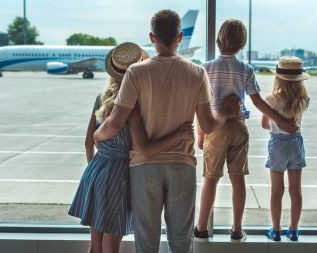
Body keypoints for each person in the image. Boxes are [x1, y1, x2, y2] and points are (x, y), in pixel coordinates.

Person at [93, 9, 237, 253]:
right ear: (180, 38)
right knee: (181, 242)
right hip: (182, 164)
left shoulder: (136, 72)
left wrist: (96, 137)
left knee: (146, 242)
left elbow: (116, 122)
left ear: (152, 37)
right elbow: (208, 125)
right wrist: (226, 112)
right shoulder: (196, 73)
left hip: (144, 167)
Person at [68, 42, 194, 253]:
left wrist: (94, 168)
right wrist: (179, 135)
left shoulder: (101, 99)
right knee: (111, 244)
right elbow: (145, 149)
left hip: (96, 171)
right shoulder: (133, 107)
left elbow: (89, 140)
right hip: (119, 176)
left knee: (95, 245)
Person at [194, 19, 299, 243]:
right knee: (238, 178)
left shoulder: (206, 68)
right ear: (242, 43)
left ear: (218, 39)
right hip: (238, 127)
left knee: (210, 179)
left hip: (215, 126)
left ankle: (201, 227)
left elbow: (199, 104)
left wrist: (201, 133)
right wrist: (284, 122)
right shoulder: (245, 69)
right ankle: (237, 229)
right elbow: (259, 103)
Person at [262, 56, 310, 242]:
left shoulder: (271, 100)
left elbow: (265, 125)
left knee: (277, 190)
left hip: (277, 145)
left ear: (278, 78)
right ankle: (294, 230)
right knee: (295, 190)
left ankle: (275, 231)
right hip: (296, 144)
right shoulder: (304, 99)